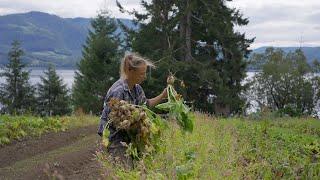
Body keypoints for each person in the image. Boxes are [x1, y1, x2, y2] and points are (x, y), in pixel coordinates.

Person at [97, 53, 167, 168]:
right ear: (130, 71)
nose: (144, 77)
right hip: (116, 138)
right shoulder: (118, 91)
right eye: (141, 74)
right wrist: (139, 122)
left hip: (130, 136)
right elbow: (116, 120)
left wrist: (163, 95)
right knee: (125, 170)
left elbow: (145, 105)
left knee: (140, 168)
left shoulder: (137, 88)